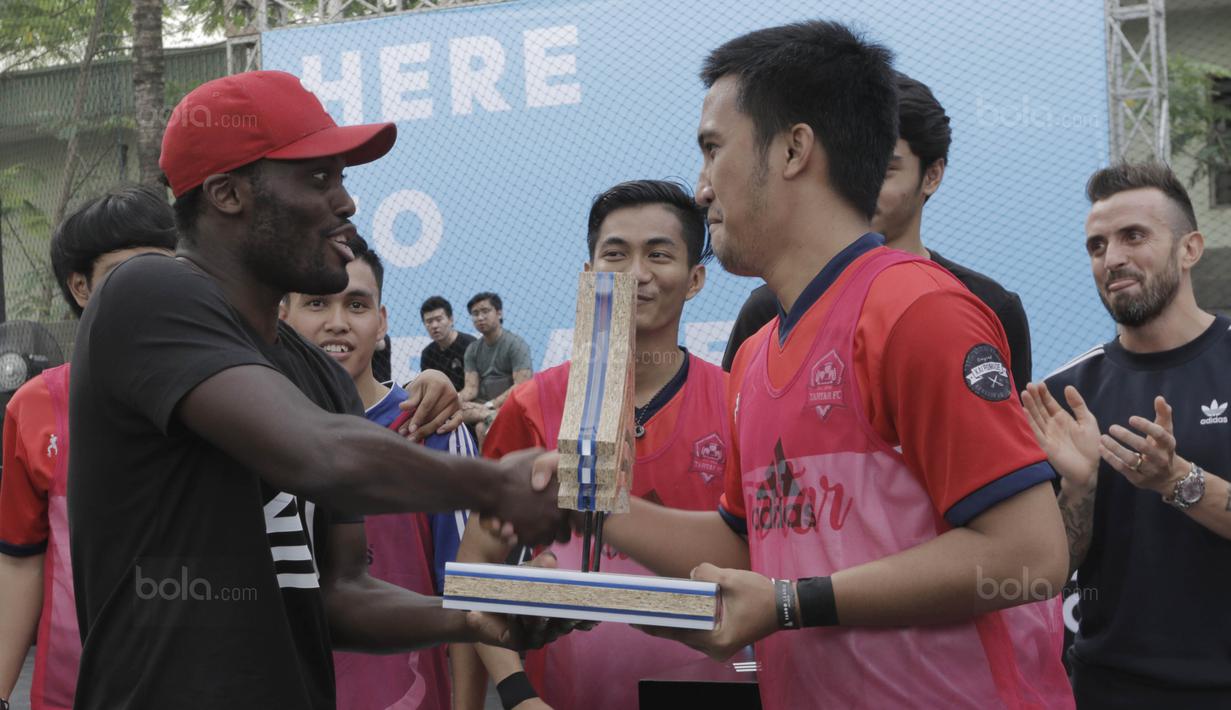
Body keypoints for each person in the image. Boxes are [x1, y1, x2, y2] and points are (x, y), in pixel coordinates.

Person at [532, 22, 1073, 709]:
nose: (700, 189)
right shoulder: (758, 350)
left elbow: (1028, 557)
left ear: (792, 149)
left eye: (711, 149)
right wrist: (588, 504)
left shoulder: (915, 310)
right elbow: (742, 545)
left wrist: (789, 604)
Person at [66, 70, 569, 710]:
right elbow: (320, 455)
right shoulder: (146, 294)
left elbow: (339, 593)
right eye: (318, 178)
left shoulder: (320, 376)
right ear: (226, 194)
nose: (347, 204)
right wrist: (498, 484)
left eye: (343, 178)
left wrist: (474, 615)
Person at [452, 180, 733, 710]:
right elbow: (477, 573)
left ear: (694, 279)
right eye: (615, 254)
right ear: (589, 274)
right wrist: (515, 694)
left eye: (658, 254)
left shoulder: (738, 400)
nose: (636, 274)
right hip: (559, 694)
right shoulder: (531, 404)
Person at [1023, 163, 1231, 709]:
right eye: (1097, 245)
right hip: (1110, 688)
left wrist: (1178, 479)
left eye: (1133, 236)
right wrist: (1079, 487)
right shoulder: (1065, 395)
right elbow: (1048, 574)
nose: (1112, 259)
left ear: (1190, 249)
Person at [721, 71, 1033, 391]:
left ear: (932, 175)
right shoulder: (771, 308)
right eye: (849, 167)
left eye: (884, 170)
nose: (861, 186)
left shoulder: (988, 304)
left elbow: (1006, 436)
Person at [0, 185, 177, 710]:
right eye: (130, 273)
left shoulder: (224, 396)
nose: (153, 291)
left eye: (169, 272)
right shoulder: (34, 407)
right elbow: (18, 560)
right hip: (73, 689)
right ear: (80, 286)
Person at [282, 243, 474, 710]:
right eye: (316, 302)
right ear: (282, 315)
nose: (337, 321)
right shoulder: (249, 432)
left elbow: (470, 605)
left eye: (356, 304)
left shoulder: (433, 429)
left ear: (382, 321)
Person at [459, 292, 532, 442]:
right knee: (452, 411)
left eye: (485, 311)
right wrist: (455, 400)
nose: (480, 317)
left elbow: (522, 385)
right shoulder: (472, 349)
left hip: (510, 405)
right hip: (482, 407)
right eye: (475, 313)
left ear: (499, 313)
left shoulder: (516, 344)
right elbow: (471, 389)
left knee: (481, 428)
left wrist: (492, 405)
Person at [420, 296, 475, 391]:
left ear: (451, 319)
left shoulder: (470, 345)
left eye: (439, 319)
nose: (434, 326)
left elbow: (473, 388)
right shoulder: (427, 353)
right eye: (429, 321)